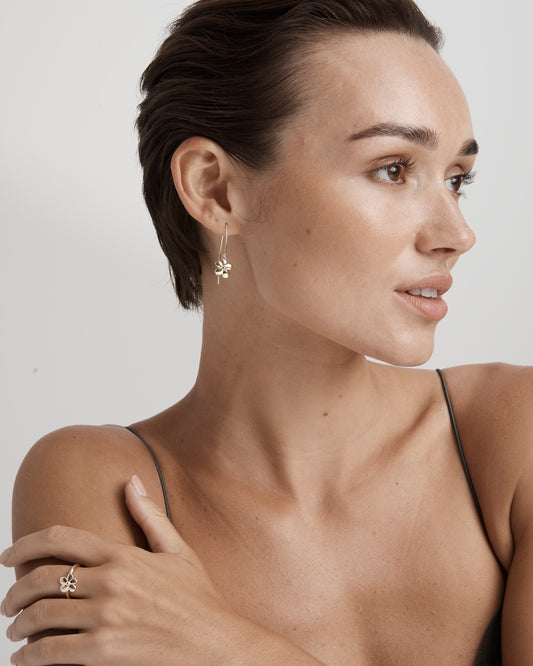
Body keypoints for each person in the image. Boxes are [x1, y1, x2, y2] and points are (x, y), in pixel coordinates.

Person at [2, 0, 531, 663]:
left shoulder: (513, 433)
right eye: (393, 169)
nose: (457, 233)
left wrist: (224, 643)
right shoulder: (100, 480)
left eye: (457, 179)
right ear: (215, 189)